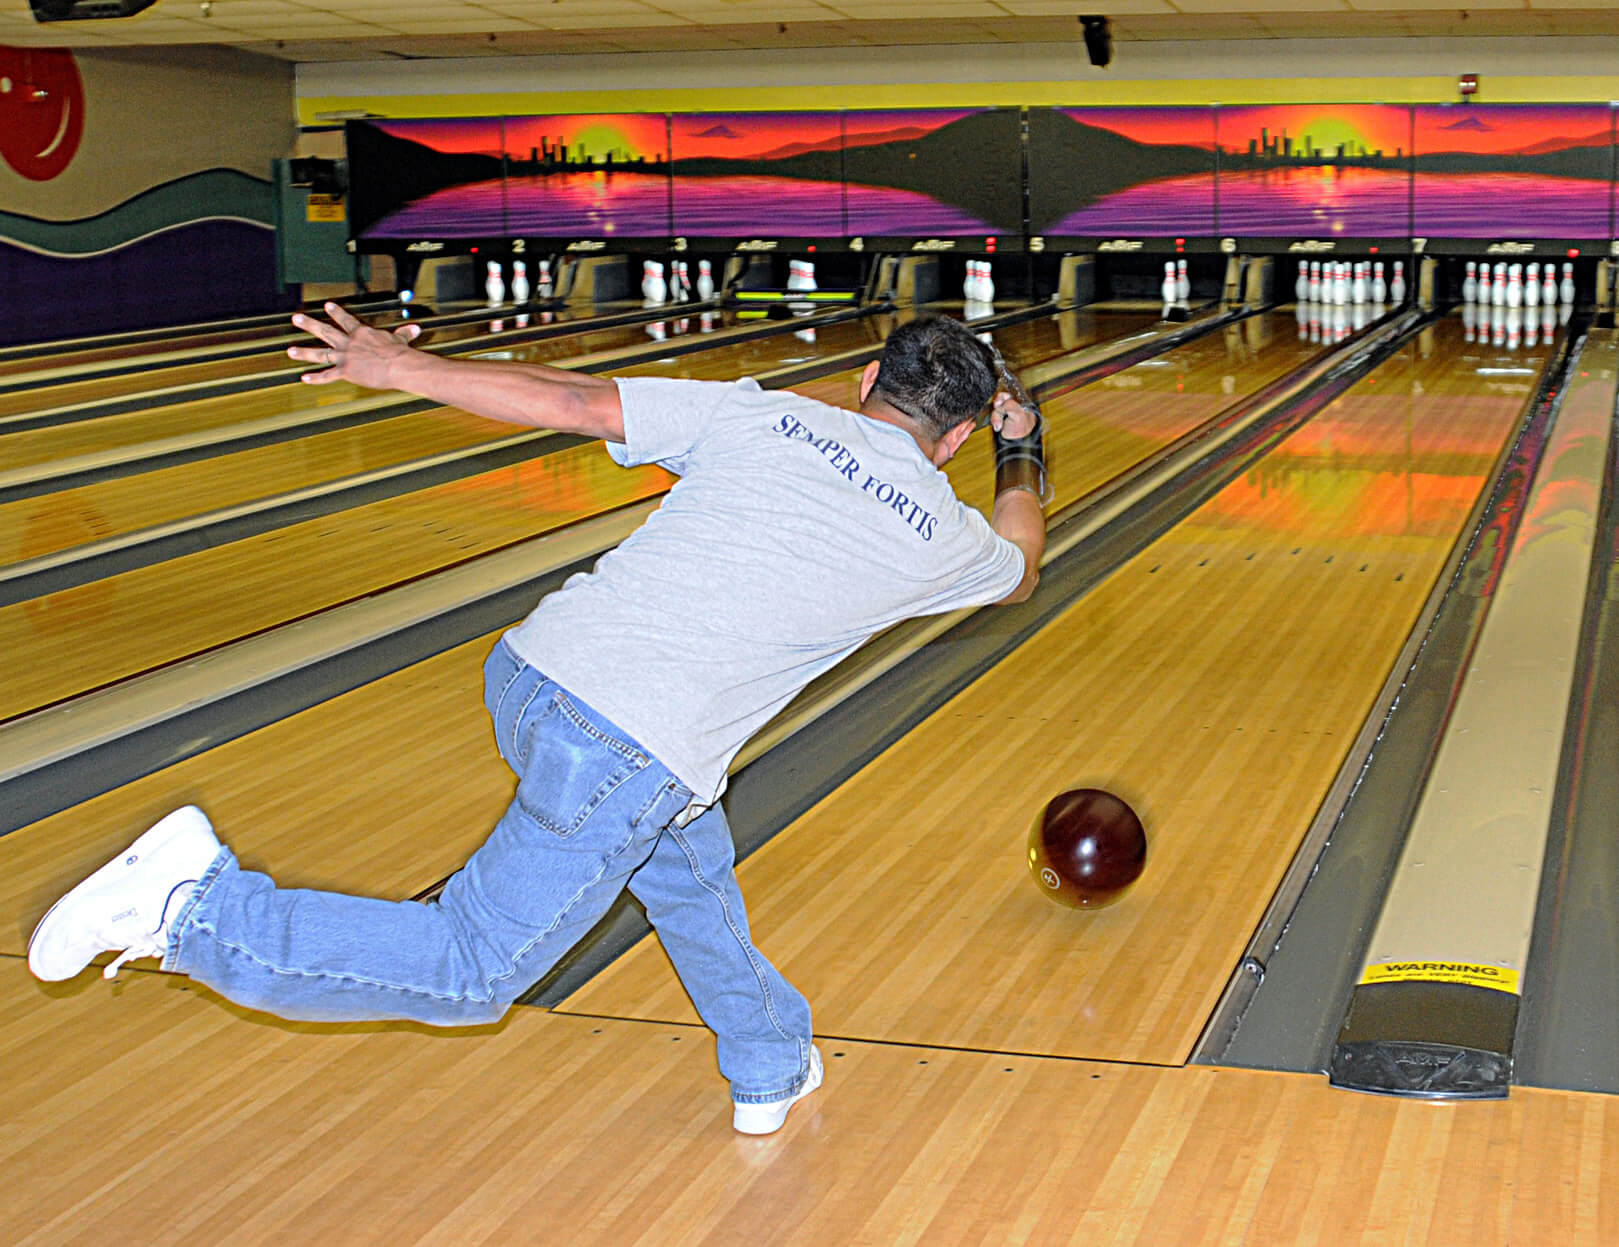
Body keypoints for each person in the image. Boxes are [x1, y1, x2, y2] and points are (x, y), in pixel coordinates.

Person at [30, 302, 1048, 1135]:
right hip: (623, 750)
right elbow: (1018, 565)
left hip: (531, 674)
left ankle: (768, 1054)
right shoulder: (943, 541)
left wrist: (395, 370)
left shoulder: (756, 413)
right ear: (954, 436)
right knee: (472, 966)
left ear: (865, 383)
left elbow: (569, 400)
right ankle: (194, 908)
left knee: (685, 861)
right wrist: (1023, 447)